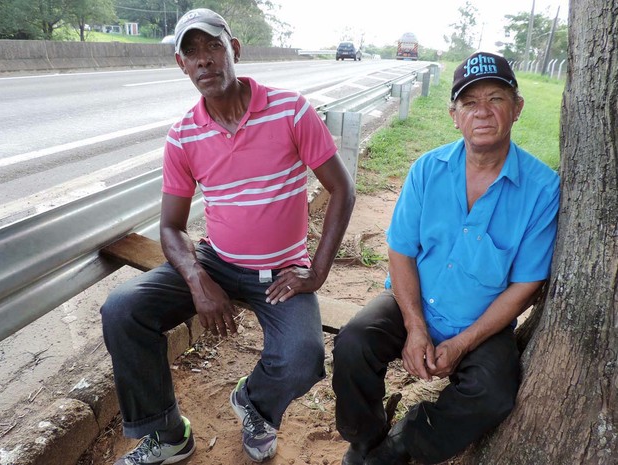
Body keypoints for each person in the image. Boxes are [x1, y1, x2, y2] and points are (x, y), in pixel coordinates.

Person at [101, 8, 355, 465]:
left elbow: (342, 189)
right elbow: (170, 227)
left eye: (213, 47)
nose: (204, 61)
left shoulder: (291, 110)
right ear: (181, 65)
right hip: (216, 261)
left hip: (282, 271)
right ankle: (168, 433)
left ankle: (255, 403)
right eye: (191, 53)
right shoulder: (182, 136)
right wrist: (198, 281)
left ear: (233, 49)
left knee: (303, 357)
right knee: (122, 309)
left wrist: (315, 272)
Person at [332, 51, 560, 465]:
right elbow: (400, 251)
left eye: (496, 98)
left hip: (481, 323)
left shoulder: (542, 189)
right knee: (353, 344)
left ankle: (399, 447)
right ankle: (364, 442)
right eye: (470, 102)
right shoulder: (427, 169)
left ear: (518, 108)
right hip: (415, 302)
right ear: (454, 115)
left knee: (493, 393)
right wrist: (415, 326)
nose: (483, 112)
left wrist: (460, 343)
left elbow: (527, 284)